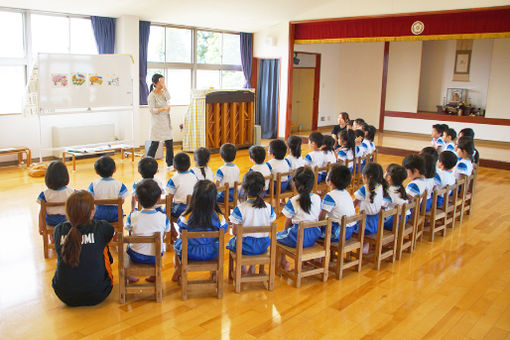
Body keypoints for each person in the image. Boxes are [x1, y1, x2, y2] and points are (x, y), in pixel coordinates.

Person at [52, 190, 114, 306]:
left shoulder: (58, 230)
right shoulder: (102, 227)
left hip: (65, 295)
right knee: (103, 246)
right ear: (91, 212)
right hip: (99, 293)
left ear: (67, 212)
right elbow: (110, 234)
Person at [172, 180, 228, 281]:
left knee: (176, 246)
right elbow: (224, 230)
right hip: (212, 252)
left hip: (190, 252)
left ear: (195, 197)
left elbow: (181, 229)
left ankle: (178, 269)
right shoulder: (219, 217)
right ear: (214, 199)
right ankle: (214, 273)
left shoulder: (186, 216)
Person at [227, 172, 276, 274]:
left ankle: (242, 267)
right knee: (254, 238)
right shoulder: (269, 208)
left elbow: (235, 231)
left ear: (244, 188)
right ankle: (252, 267)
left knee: (233, 242)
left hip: (244, 246)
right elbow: (270, 226)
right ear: (262, 188)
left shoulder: (240, 209)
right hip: (262, 245)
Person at [277, 167, 321, 271]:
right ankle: (305, 262)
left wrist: (285, 231)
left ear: (294, 184)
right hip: (314, 235)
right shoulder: (317, 198)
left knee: (276, 237)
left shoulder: (293, 201)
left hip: (297, 237)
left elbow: (287, 222)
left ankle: (283, 262)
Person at [125, 179, 170, 283]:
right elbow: (166, 233)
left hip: (135, 255)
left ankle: (130, 275)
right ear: (159, 199)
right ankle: (154, 275)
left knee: (127, 246)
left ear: (136, 198)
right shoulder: (164, 217)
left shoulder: (133, 216)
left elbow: (127, 229)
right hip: (156, 256)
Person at [318, 164, 356, 242]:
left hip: (338, 232)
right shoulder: (346, 193)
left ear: (330, 181)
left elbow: (321, 217)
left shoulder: (330, 196)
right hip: (349, 230)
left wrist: (317, 229)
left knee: (311, 231)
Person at [37, 160, 75, 235]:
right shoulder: (72, 192)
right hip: (67, 221)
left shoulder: (44, 194)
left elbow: (41, 213)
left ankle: (53, 238)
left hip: (51, 222)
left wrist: (40, 226)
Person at [87, 156, 129, 222]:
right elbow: (122, 201)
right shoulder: (120, 185)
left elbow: (89, 199)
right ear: (115, 170)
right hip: (115, 215)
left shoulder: (93, 184)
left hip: (97, 214)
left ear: (96, 172)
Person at [353, 163, 388, 239]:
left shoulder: (364, 188)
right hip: (376, 223)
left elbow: (354, 203)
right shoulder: (380, 186)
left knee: (348, 227)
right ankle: (366, 247)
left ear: (366, 177)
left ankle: (361, 246)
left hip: (364, 225)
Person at [147, 73, 174, 170]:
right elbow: (152, 110)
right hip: (157, 122)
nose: (162, 84)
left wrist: (165, 87)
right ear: (154, 83)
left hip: (166, 121)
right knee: (155, 144)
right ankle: (148, 165)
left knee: (169, 143)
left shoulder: (164, 93)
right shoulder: (151, 95)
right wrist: (163, 109)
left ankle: (170, 164)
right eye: (160, 82)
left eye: (163, 81)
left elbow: (169, 97)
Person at [166, 153, 198, 219]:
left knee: (165, 210)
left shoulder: (173, 179)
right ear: (189, 165)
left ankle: (170, 227)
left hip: (181, 209)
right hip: (195, 207)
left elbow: (170, 198)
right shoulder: (194, 176)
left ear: (174, 167)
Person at [383, 164, 410, 230]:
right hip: (404, 219)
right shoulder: (401, 188)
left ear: (389, 177)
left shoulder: (389, 191)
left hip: (393, 221)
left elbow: (381, 206)